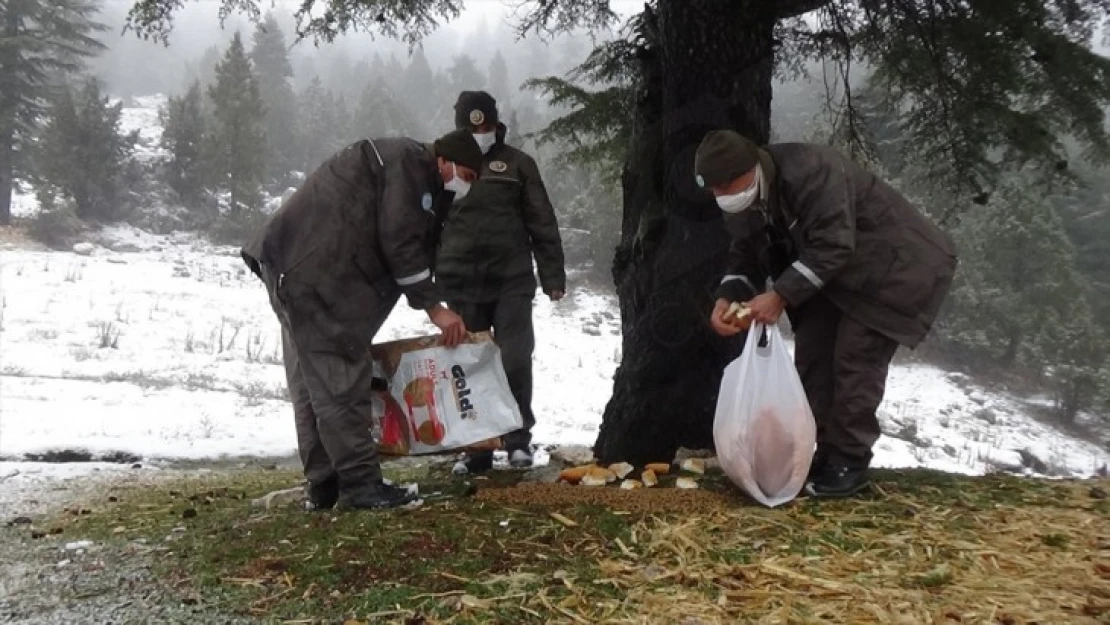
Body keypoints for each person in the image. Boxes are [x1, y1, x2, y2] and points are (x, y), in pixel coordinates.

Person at [695, 129, 957, 498]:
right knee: (814, 356)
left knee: (854, 360)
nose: (724, 196)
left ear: (752, 168)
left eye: (728, 185)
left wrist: (781, 295)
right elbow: (746, 252)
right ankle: (823, 454)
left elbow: (834, 244)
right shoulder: (745, 199)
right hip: (834, 278)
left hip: (893, 269)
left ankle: (849, 461)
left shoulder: (813, 172)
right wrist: (728, 295)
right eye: (715, 191)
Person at [241, 130, 484, 511]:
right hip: (319, 277)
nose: (464, 186)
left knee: (310, 383)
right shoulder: (408, 165)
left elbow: (415, 244)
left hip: (294, 267)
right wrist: (434, 307)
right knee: (341, 379)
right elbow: (400, 239)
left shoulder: (409, 169)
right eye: (466, 176)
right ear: (444, 160)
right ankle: (359, 486)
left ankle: (325, 484)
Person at [436, 90, 567, 474]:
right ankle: (477, 448)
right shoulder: (446, 166)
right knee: (470, 365)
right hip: (461, 280)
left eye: (488, 126)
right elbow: (429, 223)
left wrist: (552, 274)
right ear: (461, 128)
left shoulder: (517, 164)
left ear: (496, 125)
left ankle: (517, 440)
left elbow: (541, 219)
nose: (481, 133)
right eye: (473, 128)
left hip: (511, 279)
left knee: (514, 359)